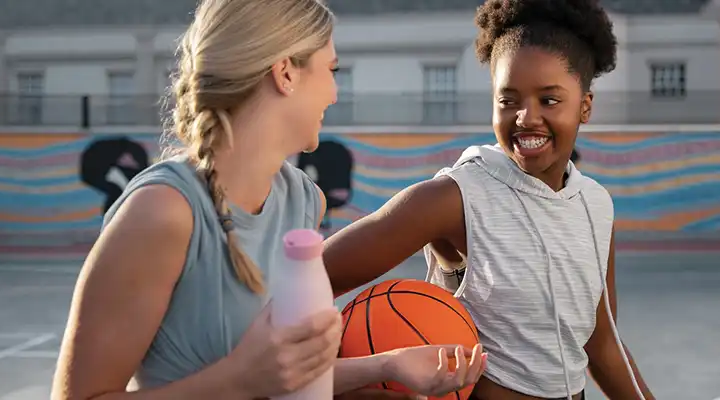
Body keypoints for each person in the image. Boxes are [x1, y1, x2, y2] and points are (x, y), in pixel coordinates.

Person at [49, 0, 485, 399]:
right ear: (286, 73)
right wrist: (238, 380)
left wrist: (387, 365)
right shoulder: (163, 213)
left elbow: (285, 375)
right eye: (331, 71)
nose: (334, 93)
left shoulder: (303, 201)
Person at [320, 0, 655, 399]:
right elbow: (314, 278)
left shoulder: (596, 206)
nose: (526, 117)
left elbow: (601, 344)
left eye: (549, 100)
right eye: (508, 100)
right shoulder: (456, 196)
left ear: (584, 106)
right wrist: (339, 381)